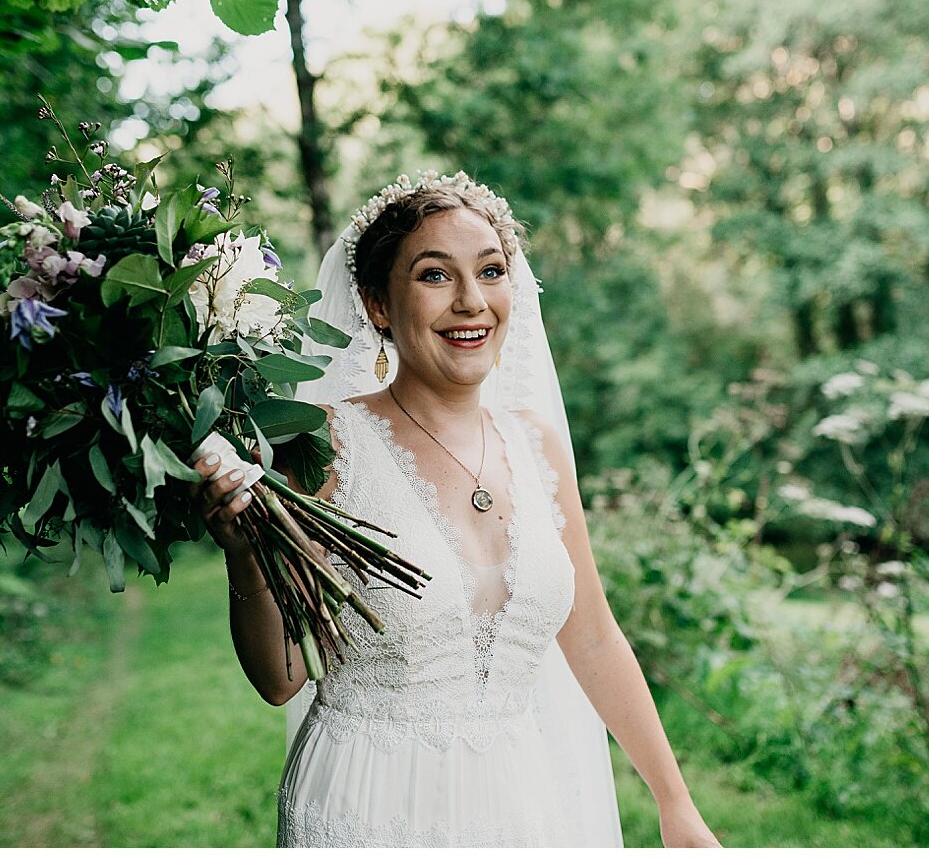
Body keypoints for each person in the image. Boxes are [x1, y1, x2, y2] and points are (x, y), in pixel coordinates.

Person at [192, 171, 719, 847]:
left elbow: (592, 637)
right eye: (436, 276)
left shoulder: (536, 446)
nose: (472, 302)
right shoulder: (323, 444)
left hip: (523, 803)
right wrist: (245, 553)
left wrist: (676, 805)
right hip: (369, 804)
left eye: (491, 271)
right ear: (377, 303)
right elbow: (279, 677)